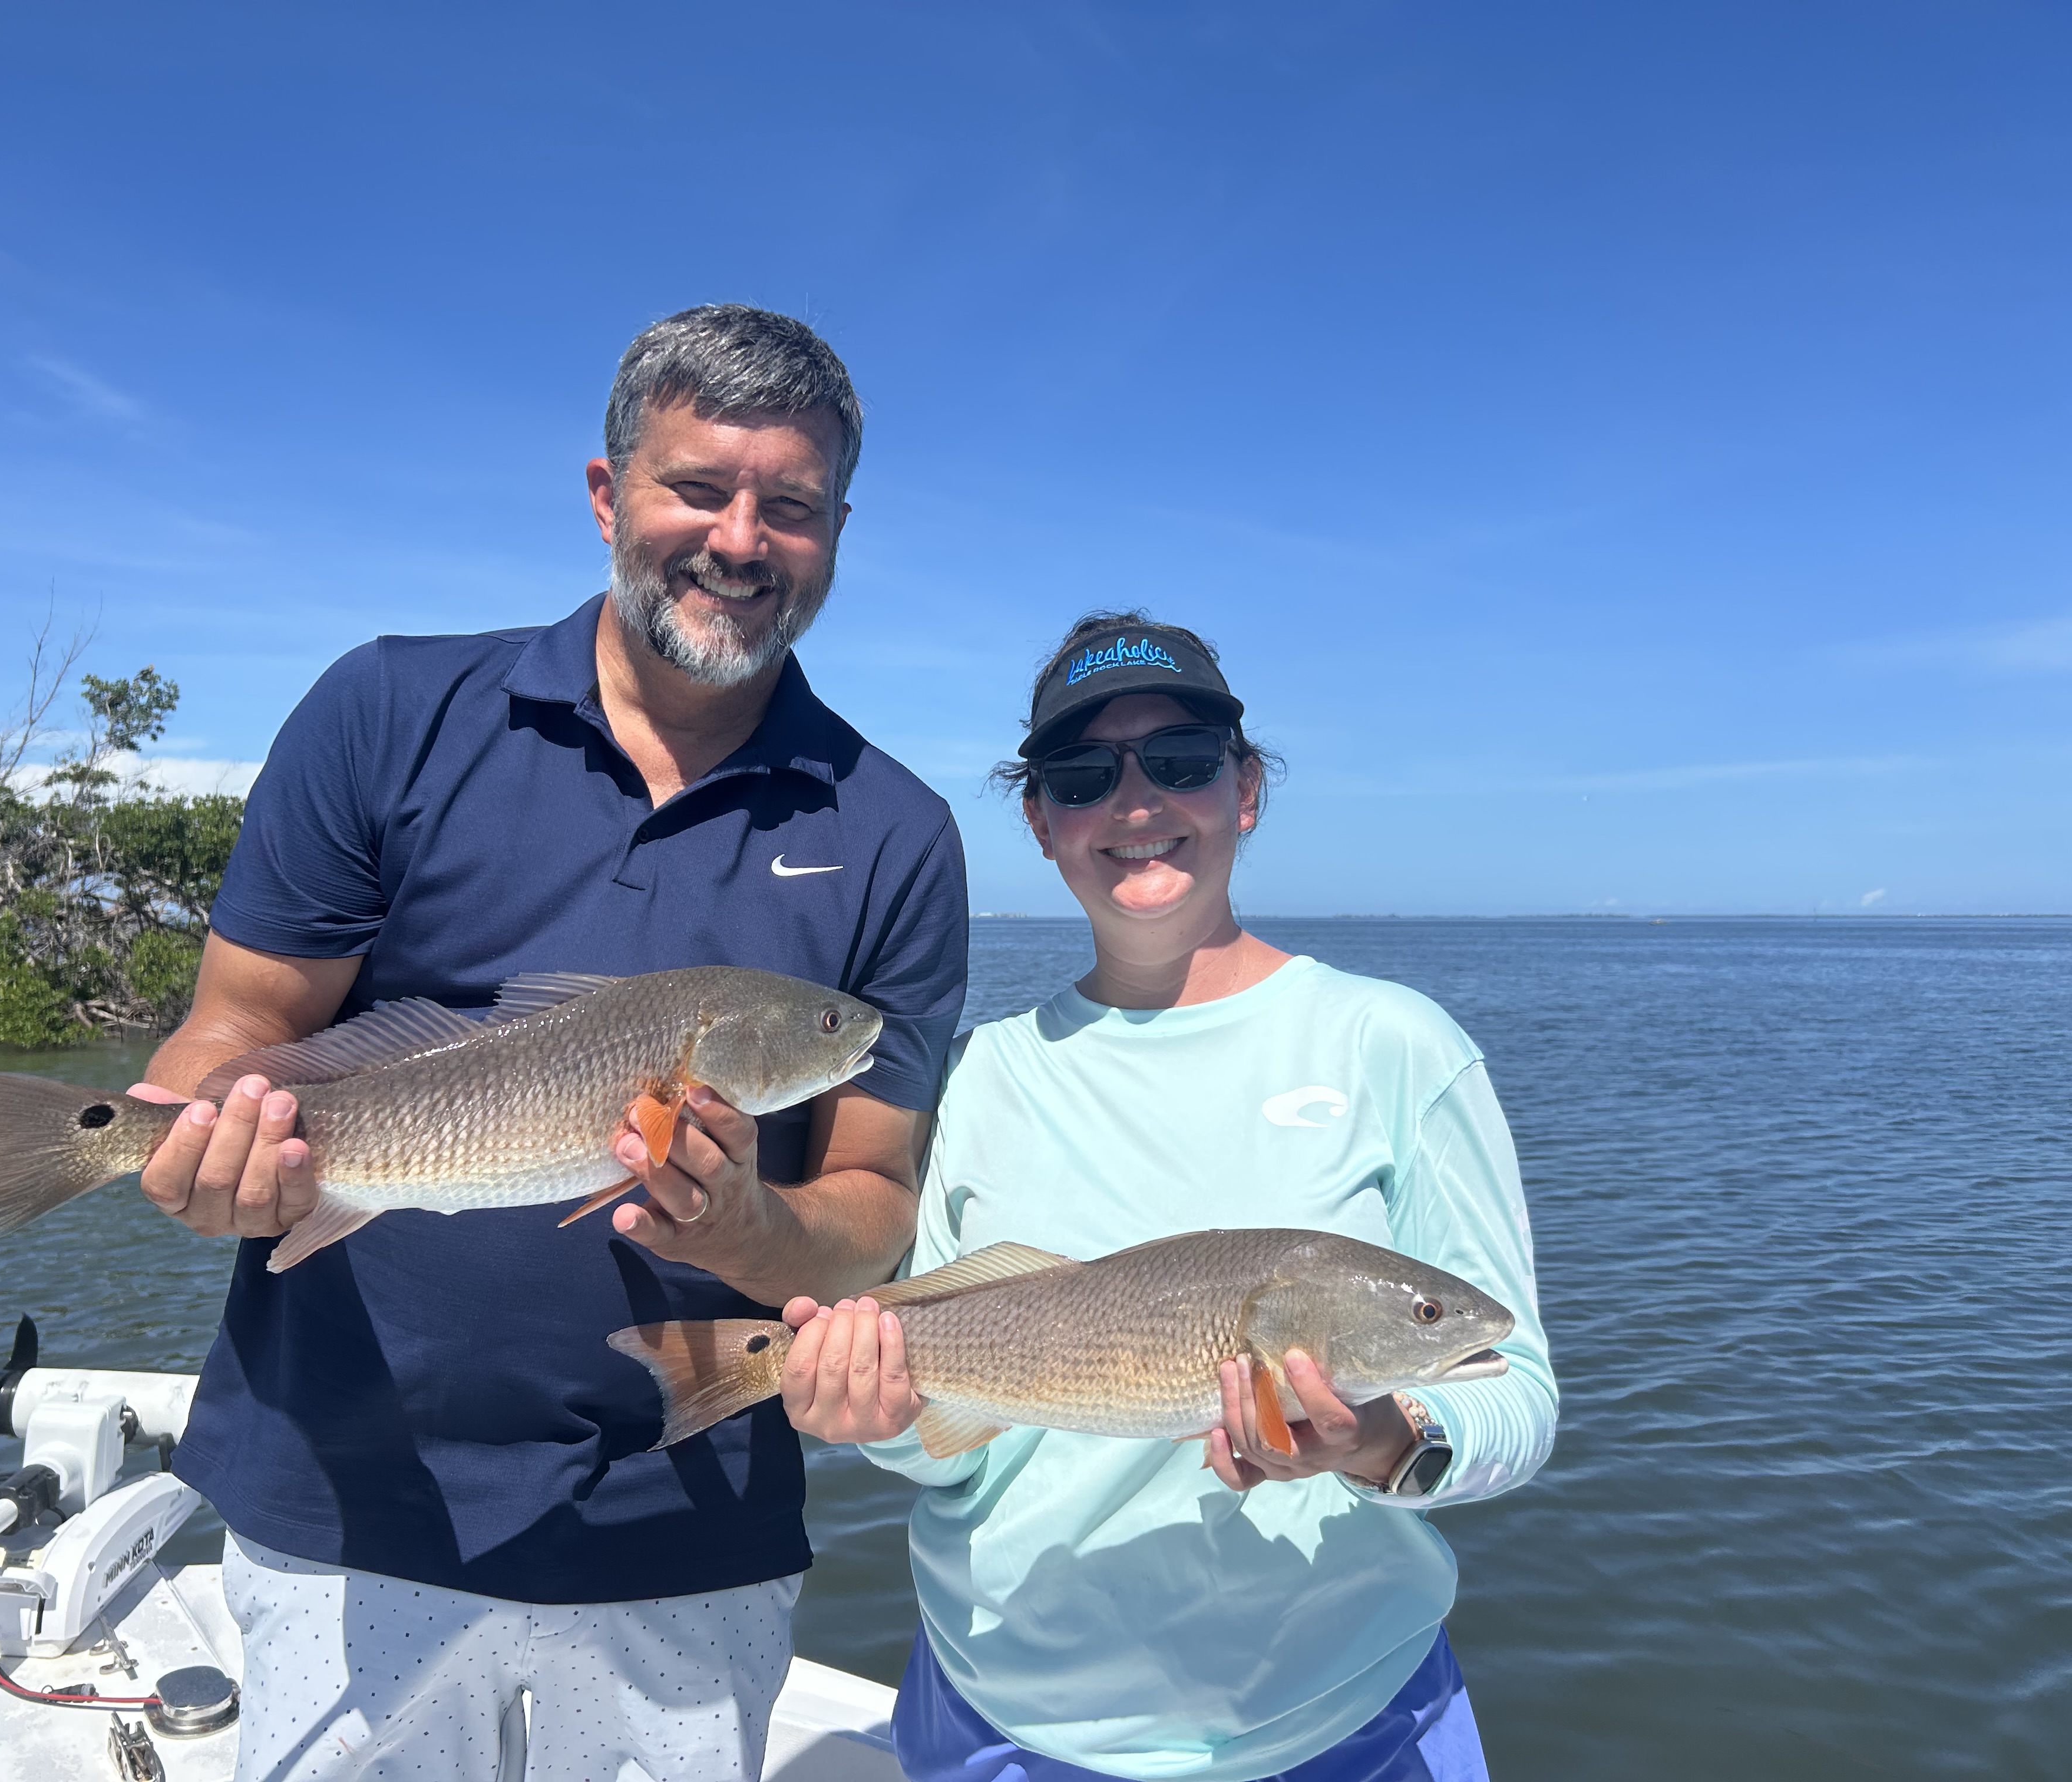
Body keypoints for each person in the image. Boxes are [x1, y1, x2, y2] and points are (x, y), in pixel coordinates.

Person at [123, 306, 968, 1781]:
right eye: (698, 488)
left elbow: (873, 1223)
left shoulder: (896, 832)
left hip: (685, 1531)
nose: (741, 538)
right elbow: (244, 1027)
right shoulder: (391, 712)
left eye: (792, 506)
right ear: (607, 495)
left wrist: (753, 1221)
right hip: (341, 1498)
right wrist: (192, 1137)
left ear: (838, 532)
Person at [779, 613, 1556, 1782]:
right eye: (1085, 777)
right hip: (1008, 1725)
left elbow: (1517, 1390)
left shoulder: (1395, 1046)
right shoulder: (977, 1076)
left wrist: (1382, 1439)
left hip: (1348, 1728)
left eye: (1182, 762)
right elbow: (951, 1454)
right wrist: (879, 1418)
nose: (1137, 804)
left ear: (1245, 788)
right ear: (1041, 825)